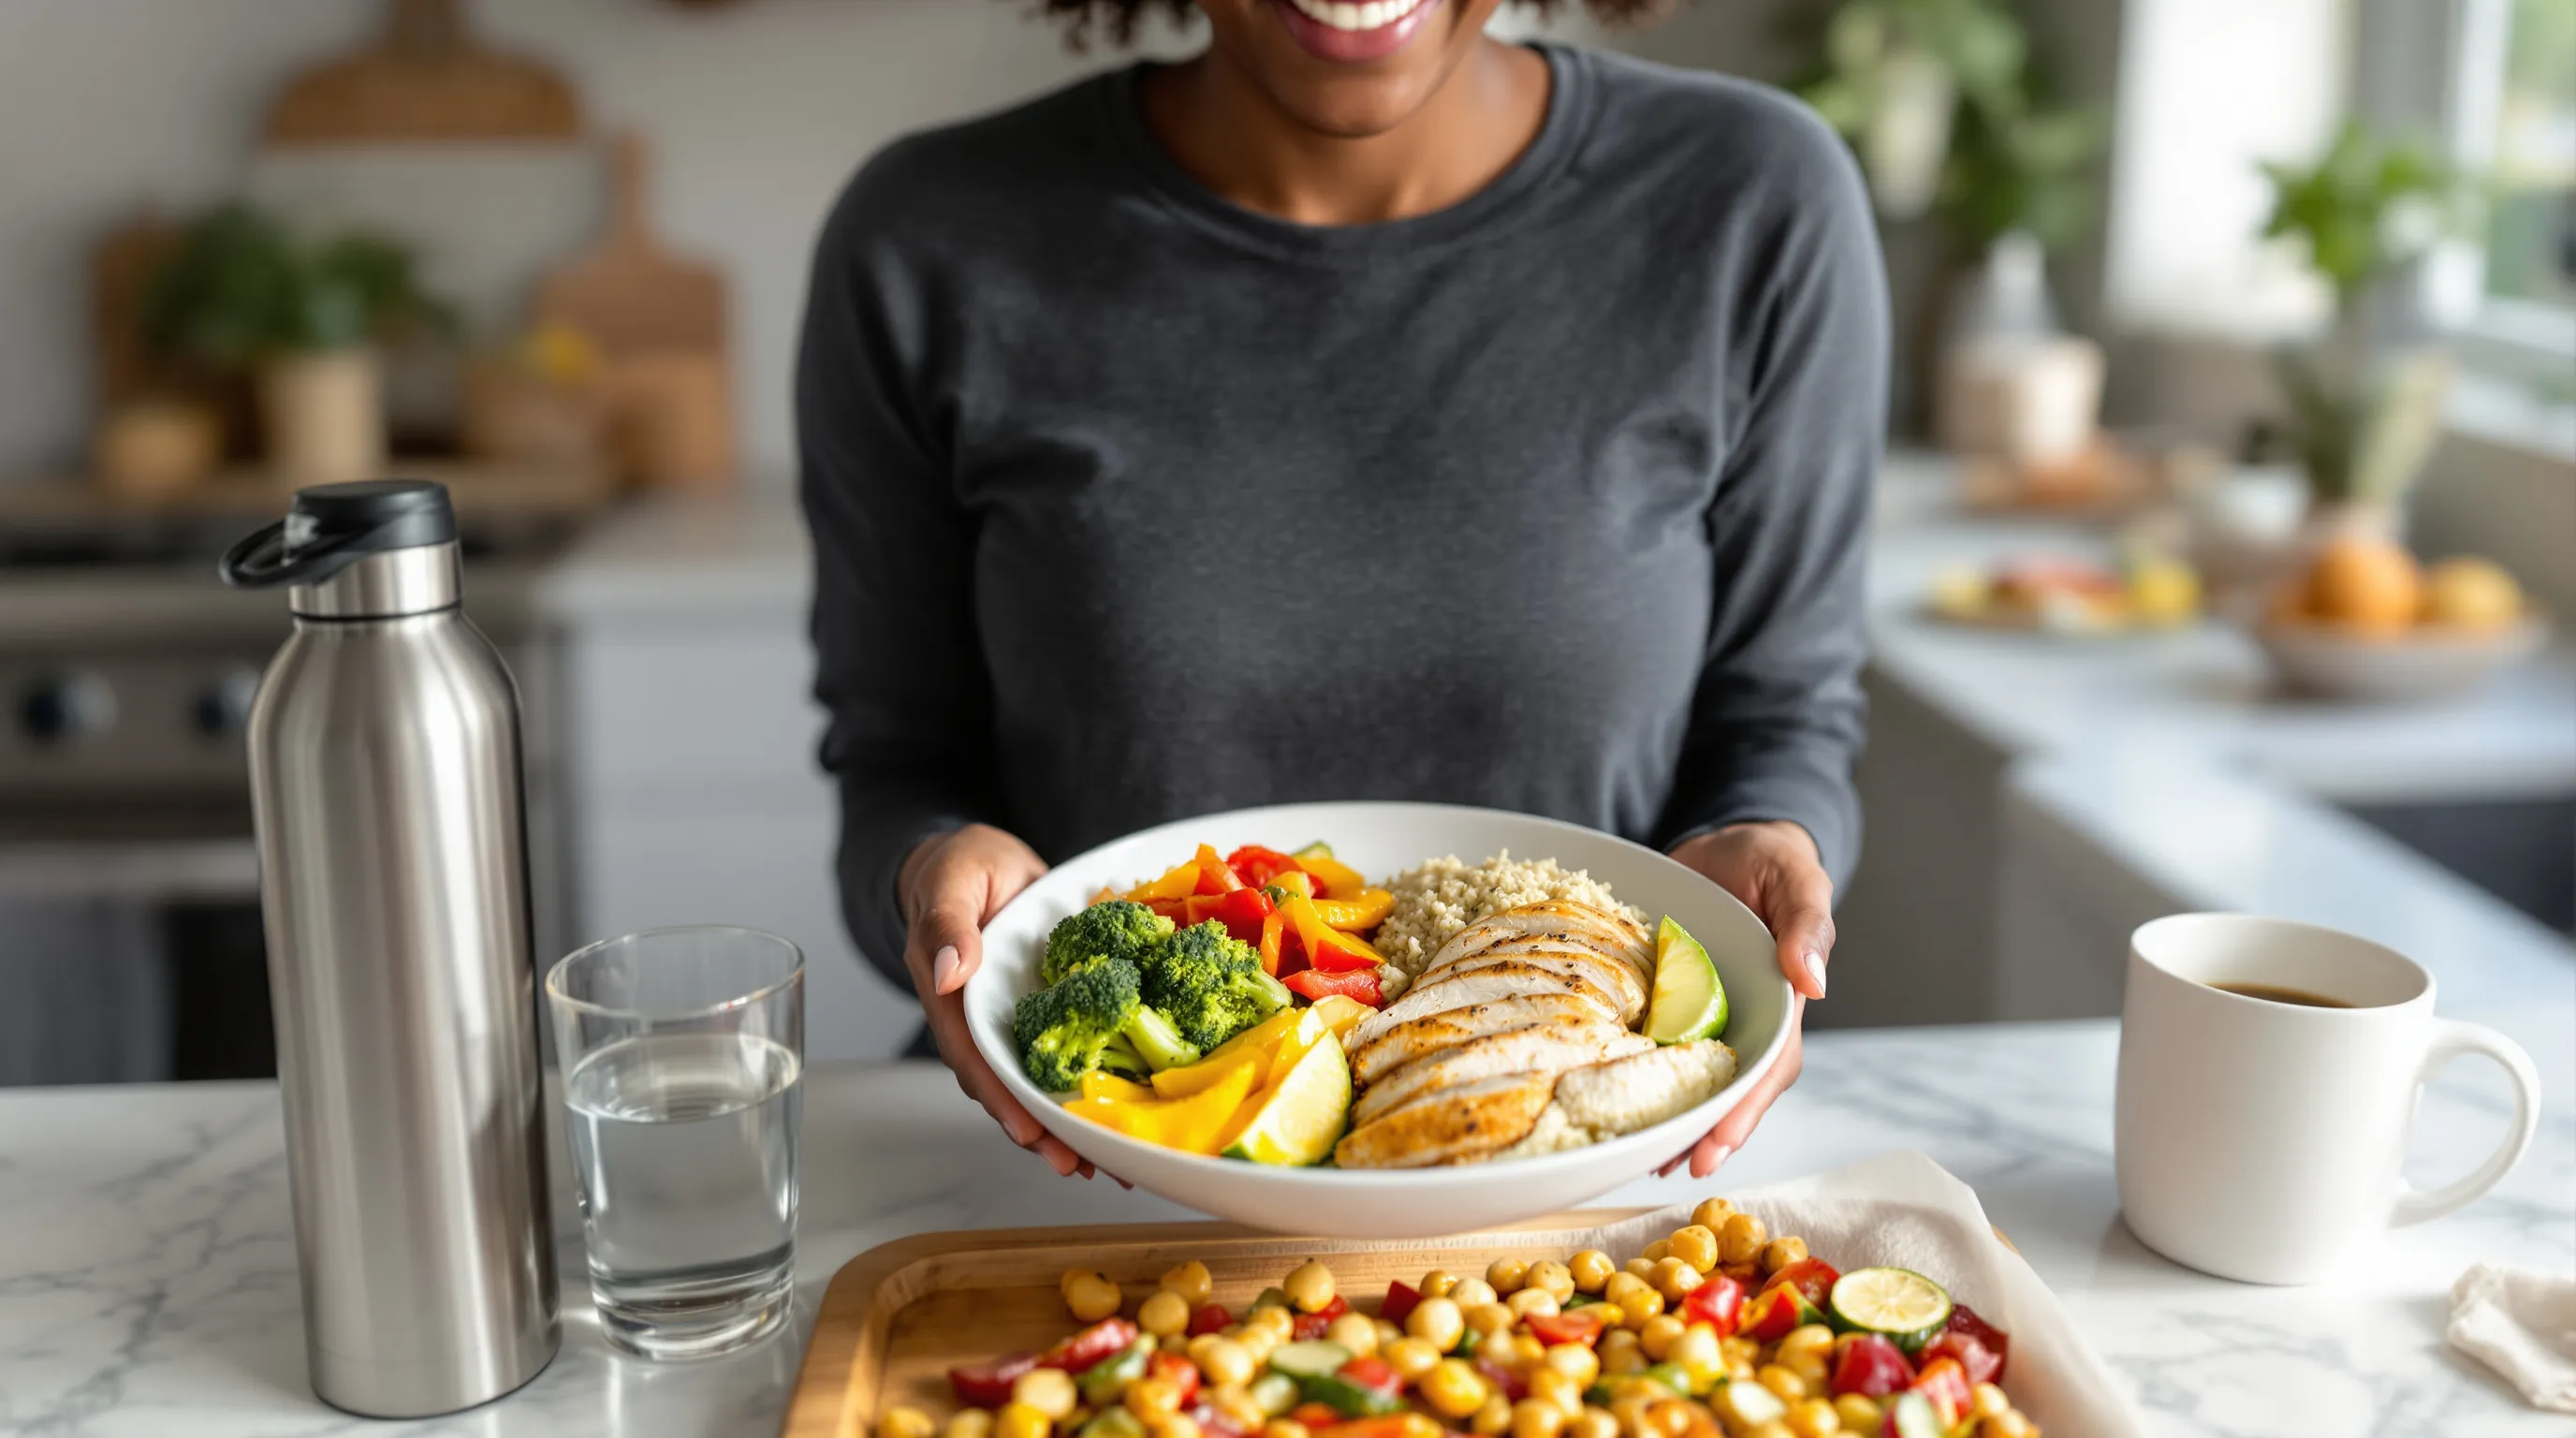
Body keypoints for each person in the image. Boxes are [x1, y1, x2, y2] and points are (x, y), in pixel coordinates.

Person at [799, 0, 1883, 1181]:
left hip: (1575, 1175)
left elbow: (1782, 723)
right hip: (1062, 1173)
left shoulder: (1749, 199)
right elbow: (894, 772)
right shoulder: (930, 235)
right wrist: (935, 882)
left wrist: (1764, 854)